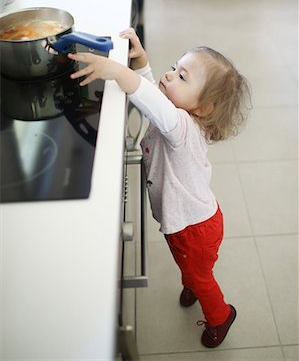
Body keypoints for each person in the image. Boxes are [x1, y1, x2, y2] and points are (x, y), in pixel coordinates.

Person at [68, 28, 251, 348]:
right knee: (190, 266)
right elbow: (155, 96)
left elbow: (154, 103)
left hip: (196, 227)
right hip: (185, 222)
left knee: (202, 276)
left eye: (182, 76)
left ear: (204, 108)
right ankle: (190, 280)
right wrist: (141, 63)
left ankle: (220, 316)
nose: (169, 75)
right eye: (174, 66)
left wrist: (121, 72)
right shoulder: (180, 113)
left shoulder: (182, 128)